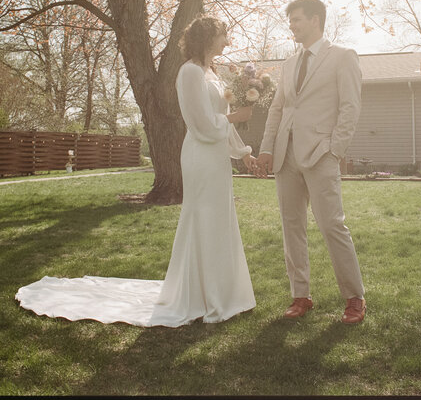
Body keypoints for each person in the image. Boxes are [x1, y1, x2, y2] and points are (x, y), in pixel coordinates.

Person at [15, 16, 257, 327]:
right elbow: (201, 124)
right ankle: (201, 295)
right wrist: (237, 117)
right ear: (208, 37)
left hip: (217, 158)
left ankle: (223, 292)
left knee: (220, 219)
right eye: (224, 35)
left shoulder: (212, 74)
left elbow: (220, 119)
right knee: (203, 218)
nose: (228, 41)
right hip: (200, 154)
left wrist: (243, 153)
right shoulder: (190, 72)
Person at [254, 0, 366, 325]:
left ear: (315, 20)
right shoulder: (289, 64)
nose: (292, 26)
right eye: (290, 21)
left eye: (297, 20)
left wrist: (335, 149)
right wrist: (266, 148)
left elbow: (350, 106)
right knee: (292, 226)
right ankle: (300, 295)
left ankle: (354, 298)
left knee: (332, 224)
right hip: (285, 155)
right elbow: (278, 109)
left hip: (320, 154)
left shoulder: (343, 56)